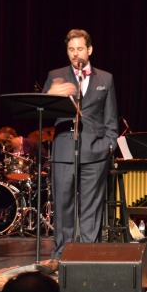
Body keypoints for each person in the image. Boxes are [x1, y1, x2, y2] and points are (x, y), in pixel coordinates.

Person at [40, 29, 118, 269]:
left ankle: (87, 252)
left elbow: (111, 118)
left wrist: (109, 144)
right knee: (63, 203)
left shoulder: (105, 78)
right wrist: (52, 95)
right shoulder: (57, 75)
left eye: (80, 49)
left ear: (89, 50)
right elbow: (43, 110)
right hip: (64, 148)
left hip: (95, 150)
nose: (76, 54)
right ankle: (60, 254)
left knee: (91, 206)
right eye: (71, 50)